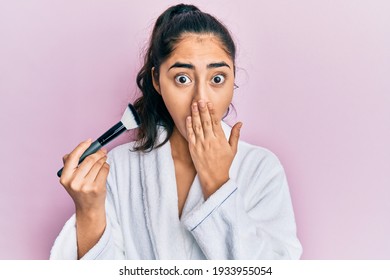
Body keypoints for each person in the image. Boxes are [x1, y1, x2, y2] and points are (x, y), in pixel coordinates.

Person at [50, 3, 302, 260]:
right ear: (157, 81)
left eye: (217, 79)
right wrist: (89, 211)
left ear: (233, 78)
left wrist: (218, 185)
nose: (201, 100)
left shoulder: (261, 168)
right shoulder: (120, 167)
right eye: (183, 78)